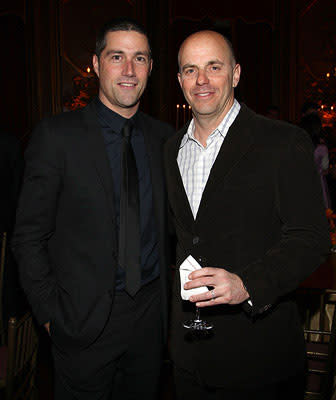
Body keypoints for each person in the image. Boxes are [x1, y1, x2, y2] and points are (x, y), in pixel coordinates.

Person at [12, 18, 174, 400]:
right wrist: (51, 315)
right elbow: (28, 236)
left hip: (150, 319)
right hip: (82, 322)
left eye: (140, 58)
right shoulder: (56, 137)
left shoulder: (165, 140)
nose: (129, 70)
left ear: (151, 67)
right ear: (97, 65)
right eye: (117, 57)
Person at [164, 30, 330, 400]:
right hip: (188, 359)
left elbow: (312, 238)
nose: (201, 80)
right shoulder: (170, 149)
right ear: (179, 81)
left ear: (236, 74)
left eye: (214, 67)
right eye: (190, 70)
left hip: (260, 360)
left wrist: (248, 284)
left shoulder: (282, 142)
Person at [300, 113, 331, 209]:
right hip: (317, 183)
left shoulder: (298, 145)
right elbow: (325, 168)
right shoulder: (322, 148)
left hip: (300, 181)